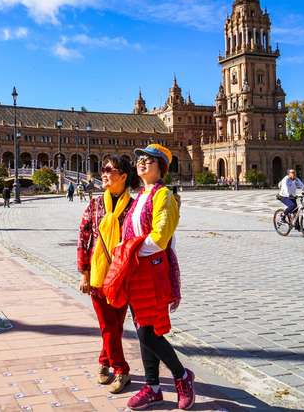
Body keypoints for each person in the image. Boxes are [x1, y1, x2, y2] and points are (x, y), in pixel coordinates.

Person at [110, 144, 195, 410]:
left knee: (149, 332)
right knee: (142, 328)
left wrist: (128, 250)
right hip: (137, 272)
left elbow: (159, 238)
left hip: (153, 270)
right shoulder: (138, 197)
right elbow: (129, 233)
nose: (142, 164)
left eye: (149, 160)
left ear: (161, 167)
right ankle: (153, 387)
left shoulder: (163, 196)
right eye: (140, 160)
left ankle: (182, 377)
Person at [77, 156, 138, 394]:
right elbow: (83, 239)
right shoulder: (94, 205)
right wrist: (84, 273)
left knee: (115, 326)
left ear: (123, 176)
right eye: (102, 170)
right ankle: (121, 369)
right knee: (108, 326)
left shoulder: (133, 207)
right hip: (97, 275)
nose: (103, 174)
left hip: (122, 275)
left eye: (109, 170)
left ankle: (104, 360)